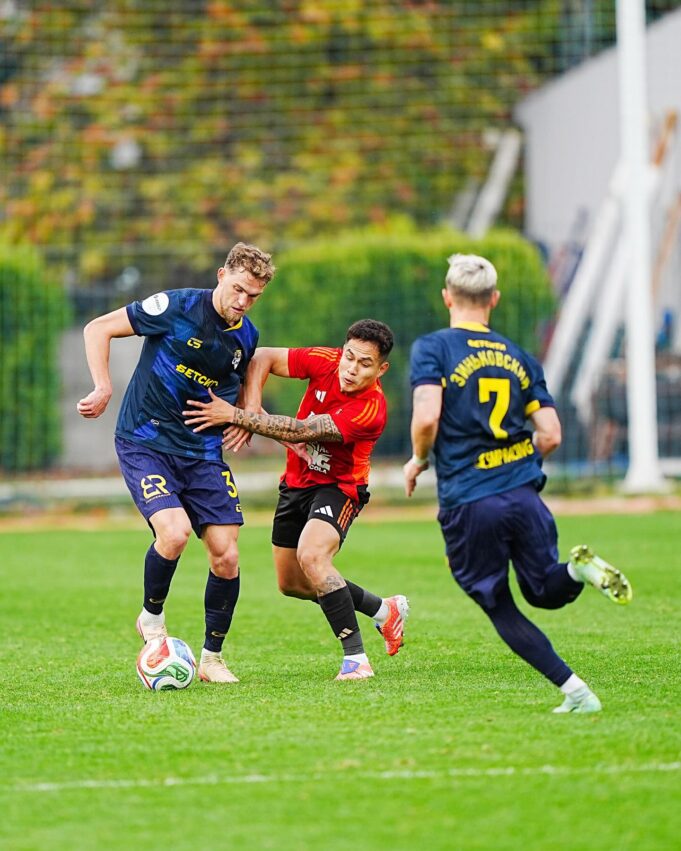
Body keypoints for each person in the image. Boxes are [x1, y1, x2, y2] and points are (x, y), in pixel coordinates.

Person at [403, 253, 632, 714]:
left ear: (447, 296)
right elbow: (551, 434)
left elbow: (427, 415)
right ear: (495, 300)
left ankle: (578, 694)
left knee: (499, 604)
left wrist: (419, 460)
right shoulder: (520, 357)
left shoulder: (434, 348)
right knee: (544, 589)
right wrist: (517, 463)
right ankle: (579, 570)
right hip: (524, 495)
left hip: (471, 499)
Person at [77, 242, 276, 684]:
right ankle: (151, 618)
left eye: (254, 296)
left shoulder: (246, 335)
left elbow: (243, 373)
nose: (242, 302)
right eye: (239, 289)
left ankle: (211, 659)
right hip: (145, 441)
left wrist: (244, 413)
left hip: (203, 453)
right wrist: (103, 386)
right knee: (174, 532)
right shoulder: (176, 305)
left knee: (227, 555)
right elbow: (97, 328)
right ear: (222, 275)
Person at [183, 319, 409, 681]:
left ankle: (356, 660)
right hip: (295, 483)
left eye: (364, 363)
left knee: (313, 556)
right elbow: (263, 357)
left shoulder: (371, 409)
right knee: (293, 583)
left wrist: (237, 415)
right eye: (349, 357)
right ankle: (384, 610)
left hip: (340, 487)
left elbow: (305, 430)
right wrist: (253, 405)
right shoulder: (325, 359)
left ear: (381, 368)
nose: (351, 369)